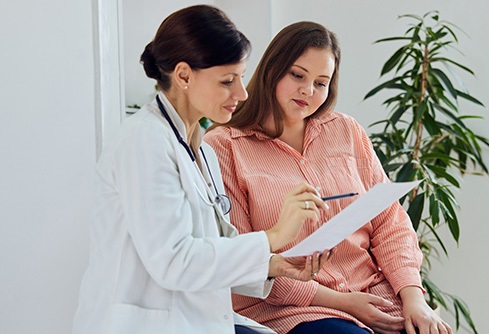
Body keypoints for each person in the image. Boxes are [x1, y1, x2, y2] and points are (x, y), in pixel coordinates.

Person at [72, 7, 333, 334]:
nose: (242, 93)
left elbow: (215, 246)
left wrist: (273, 265)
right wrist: (274, 237)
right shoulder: (144, 141)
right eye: (227, 81)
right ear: (183, 76)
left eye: (240, 77)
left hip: (198, 320)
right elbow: (174, 262)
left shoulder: (202, 150)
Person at [204, 21, 453, 334]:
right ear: (272, 69)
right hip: (291, 309)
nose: (308, 91)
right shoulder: (224, 146)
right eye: (297, 75)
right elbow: (242, 256)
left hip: (372, 294)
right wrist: (344, 303)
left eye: (321, 82)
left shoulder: (346, 131)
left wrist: (414, 298)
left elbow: (391, 223)